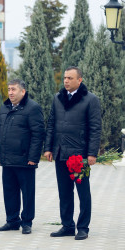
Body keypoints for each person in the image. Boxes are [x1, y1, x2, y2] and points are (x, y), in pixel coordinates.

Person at [44, 66, 101, 240]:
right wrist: (48, 148)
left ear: (79, 80)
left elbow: (95, 128)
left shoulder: (91, 100)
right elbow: (51, 124)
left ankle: (83, 227)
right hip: (61, 153)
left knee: (83, 192)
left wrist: (92, 153)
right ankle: (67, 225)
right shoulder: (57, 98)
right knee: (64, 192)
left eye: (70, 78)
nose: (66, 81)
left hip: (79, 156)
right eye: (65, 78)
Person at [0, 79, 45, 234]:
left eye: (14, 89)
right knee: (9, 191)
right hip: (7, 159)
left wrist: (33, 157)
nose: (10, 92)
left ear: (23, 91)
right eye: (9, 89)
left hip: (25, 160)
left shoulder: (33, 108)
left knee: (27, 192)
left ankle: (27, 222)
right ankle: (12, 220)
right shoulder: (5, 107)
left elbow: (38, 134)